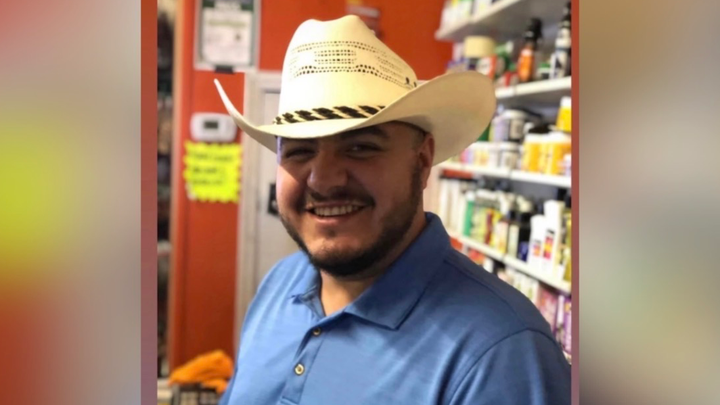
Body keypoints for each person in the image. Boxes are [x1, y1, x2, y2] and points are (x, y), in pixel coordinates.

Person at [214, 15, 570, 405]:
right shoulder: (280, 285)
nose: (323, 180)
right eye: (299, 151)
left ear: (422, 161)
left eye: (360, 147)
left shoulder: (503, 357)